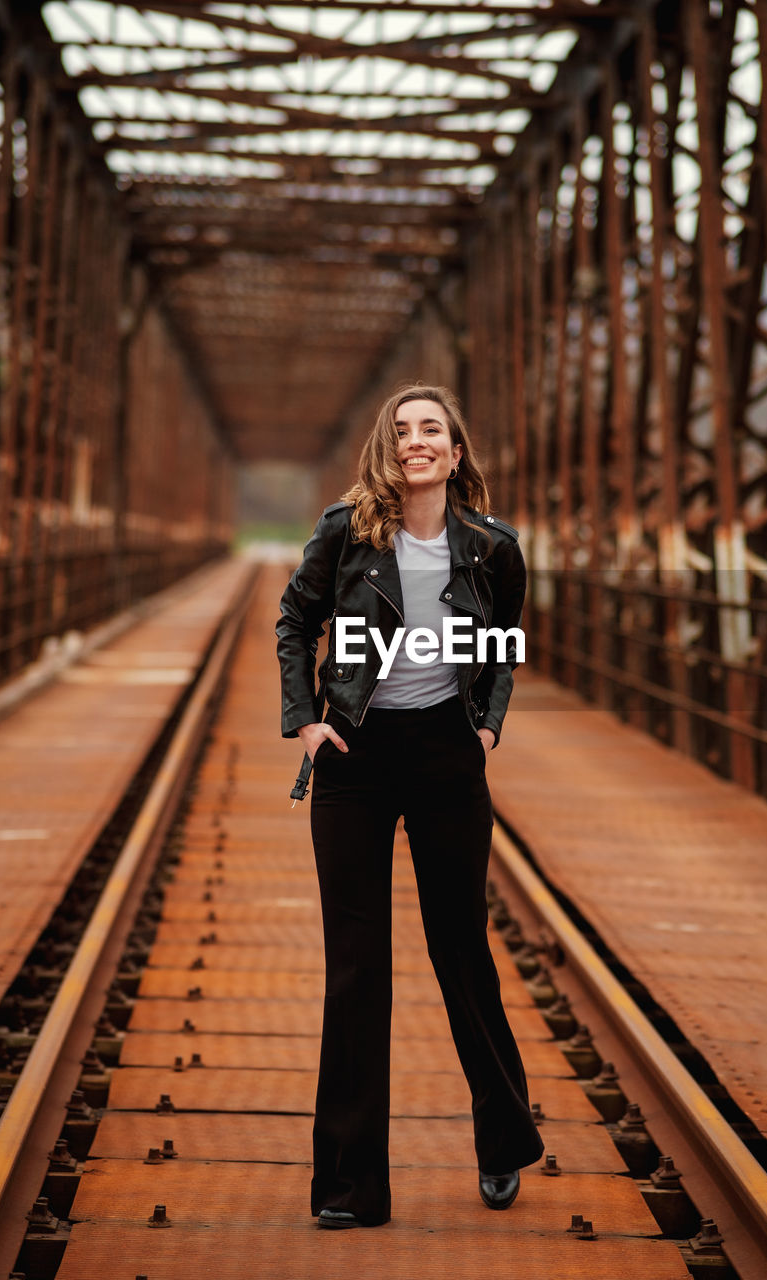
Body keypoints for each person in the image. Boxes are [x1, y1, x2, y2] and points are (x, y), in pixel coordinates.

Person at [276, 382, 544, 1229]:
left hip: (444, 756)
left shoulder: (492, 548)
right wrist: (305, 723)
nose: (416, 441)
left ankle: (502, 1141)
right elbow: (295, 618)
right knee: (356, 970)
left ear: (455, 454)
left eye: (432, 430)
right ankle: (350, 1188)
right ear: (386, 453)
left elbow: (502, 647)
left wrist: (488, 730)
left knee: (461, 951)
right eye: (402, 431)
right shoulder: (343, 534)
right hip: (356, 753)